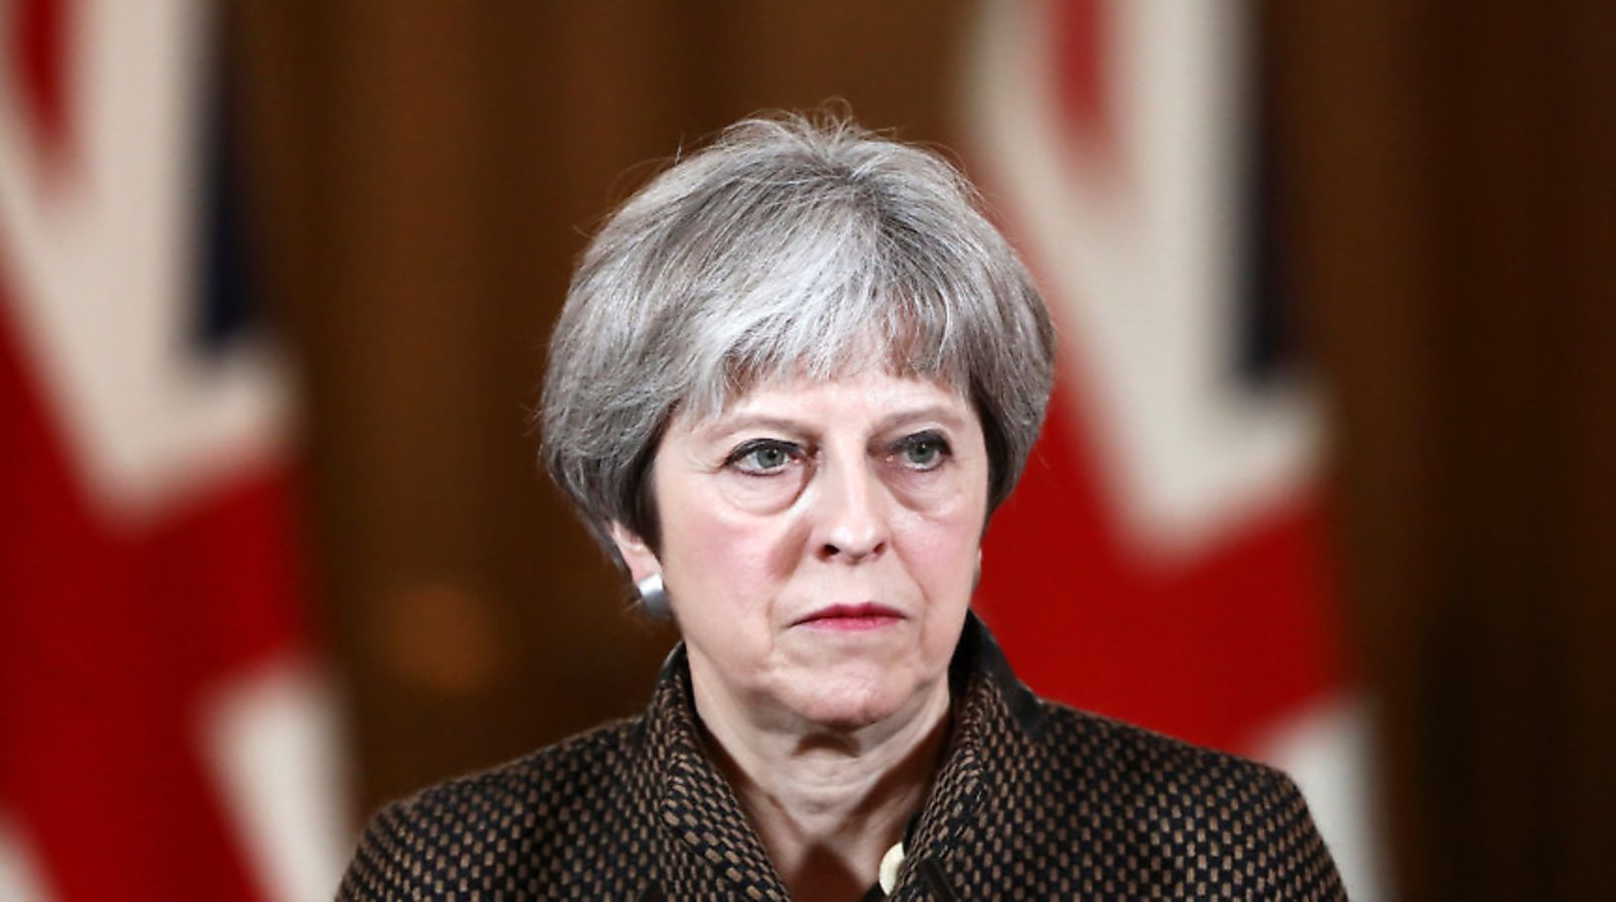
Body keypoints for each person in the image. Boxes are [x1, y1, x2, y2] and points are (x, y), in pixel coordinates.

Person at [337, 112, 1345, 900]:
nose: (858, 527)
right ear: (634, 529)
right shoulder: (452, 875)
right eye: (768, 456)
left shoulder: (1218, 852)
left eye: (917, 449)